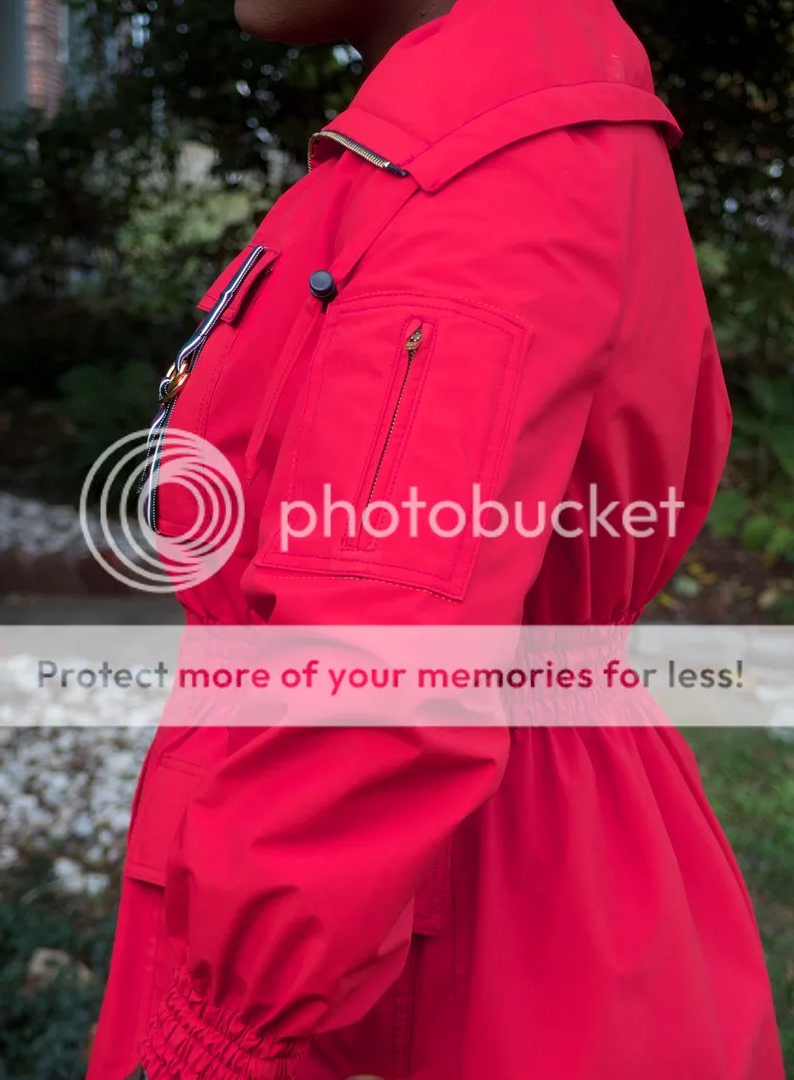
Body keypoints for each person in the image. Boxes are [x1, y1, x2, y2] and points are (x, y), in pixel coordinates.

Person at [88, 0, 784, 1077]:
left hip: (439, 929)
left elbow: (376, 675)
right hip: (467, 887)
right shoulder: (462, 150)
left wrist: (215, 1039)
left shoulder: (491, 175)